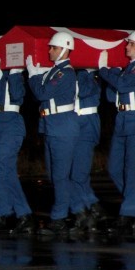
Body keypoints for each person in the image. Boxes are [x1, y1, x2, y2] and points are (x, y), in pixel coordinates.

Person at [97, 29, 135, 234]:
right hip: (122, 119)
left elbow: (122, 85)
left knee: (132, 169)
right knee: (114, 168)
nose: (126, 47)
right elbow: (113, 95)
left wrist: (104, 70)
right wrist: (111, 72)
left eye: (130, 44)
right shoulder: (128, 69)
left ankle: (129, 213)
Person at [0, 36, 35, 235]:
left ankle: (5, 215)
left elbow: (18, 96)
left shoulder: (15, 74)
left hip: (10, 121)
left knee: (0, 172)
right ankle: (21, 216)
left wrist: (9, 74)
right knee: (7, 172)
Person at [25, 31, 80, 235]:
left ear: (65, 49)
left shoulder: (65, 73)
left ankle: (59, 219)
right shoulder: (54, 71)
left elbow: (42, 93)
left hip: (63, 128)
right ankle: (77, 210)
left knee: (60, 176)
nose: (49, 50)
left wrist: (32, 75)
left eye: (53, 47)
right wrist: (39, 74)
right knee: (55, 175)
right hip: (52, 126)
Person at [71, 66, 108, 232]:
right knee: (77, 172)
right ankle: (93, 206)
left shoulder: (92, 75)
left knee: (78, 173)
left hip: (87, 123)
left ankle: (86, 211)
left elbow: (84, 91)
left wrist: (84, 71)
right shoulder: (74, 73)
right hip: (72, 122)